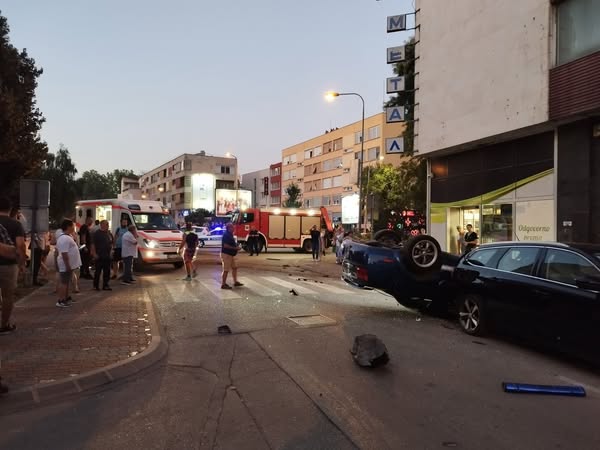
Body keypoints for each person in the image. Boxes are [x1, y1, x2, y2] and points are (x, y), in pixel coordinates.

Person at [0, 197, 26, 334]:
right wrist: (21, 263)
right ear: (10, 209)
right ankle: (4, 325)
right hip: (9, 265)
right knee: (7, 296)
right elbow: (20, 245)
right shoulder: (15, 224)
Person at [55, 219, 82, 308]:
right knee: (64, 283)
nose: (74, 227)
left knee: (66, 282)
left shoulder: (67, 237)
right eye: (72, 226)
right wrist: (67, 265)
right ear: (68, 227)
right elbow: (64, 254)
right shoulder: (64, 238)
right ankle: (61, 300)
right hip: (65, 265)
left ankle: (66, 298)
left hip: (69, 264)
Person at [91, 220, 113, 291]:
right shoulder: (97, 233)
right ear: (102, 225)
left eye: (108, 224)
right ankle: (96, 285)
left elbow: (111, 243)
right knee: (98, 271)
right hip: (99, 255)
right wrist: (94, 254)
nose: (108, 226)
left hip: (107, 255)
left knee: (107, 271)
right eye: (106, 224)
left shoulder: (108, 233)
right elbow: (93, 244)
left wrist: (111, 251)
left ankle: (105, 285)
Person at [220, 223, 243, 289]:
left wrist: (236, 246)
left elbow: (231, 243)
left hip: (230, 254)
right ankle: (223, 284)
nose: (234, 228)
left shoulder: (230, 234)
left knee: (234, 267)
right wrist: (235, 248)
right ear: (229, 228)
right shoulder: (226, 235)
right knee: (226, 270)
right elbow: (225, 245)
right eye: (232, 227)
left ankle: (235, 282)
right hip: (226, 254)